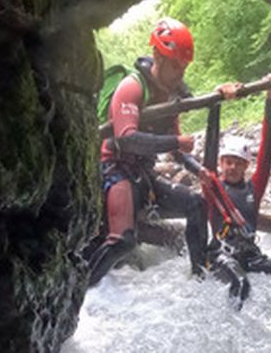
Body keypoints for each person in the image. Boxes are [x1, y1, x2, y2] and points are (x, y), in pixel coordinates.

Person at [85, 18, 211, 285]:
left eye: (184, 65)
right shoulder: (132, 86)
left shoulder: (171, 96)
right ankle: (80, 287)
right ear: (158, 56)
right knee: (123, 241)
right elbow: (127, 139)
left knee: (197, 204)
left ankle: (200, 277)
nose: (180, 72)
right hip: (115, 170)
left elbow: (175, 146)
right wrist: (175, 143)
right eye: (176, 64)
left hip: (143, 174)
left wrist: (198, 170)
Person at [204, 74, 271, 307]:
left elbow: (268, 148)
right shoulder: (213, 186)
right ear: (221, 163)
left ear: (246, 165)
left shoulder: (255, 187)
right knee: (242, 284)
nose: (232, 167)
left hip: (250, 254)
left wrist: (270, 97)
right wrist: (215, 104)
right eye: (228, 161)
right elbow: (210, 148)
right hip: (220, 254)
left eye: (238, 162)